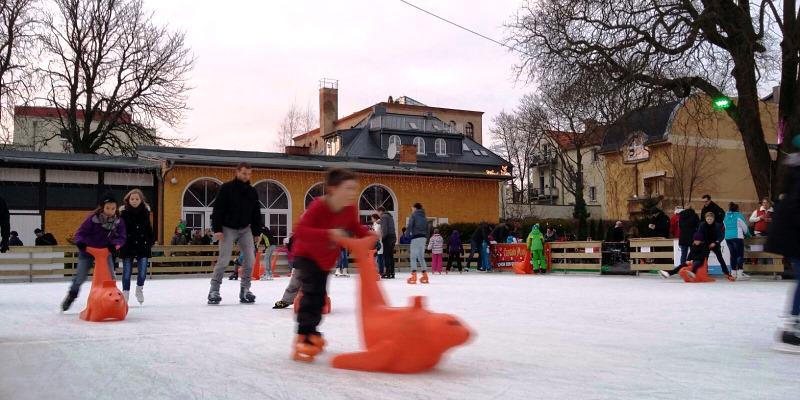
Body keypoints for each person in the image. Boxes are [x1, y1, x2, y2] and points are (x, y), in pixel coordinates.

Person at [290, 168, 372, 362]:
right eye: (349, 188)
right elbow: (300, 230)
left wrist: (368, 235)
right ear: (333, 189)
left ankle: (312, 331)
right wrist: (329, 233)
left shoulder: (350, 209)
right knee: (311, 294)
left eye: (355, 189)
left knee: (319, 298)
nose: (353, 193)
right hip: (307, 254)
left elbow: (354, 226)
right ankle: (304, 335)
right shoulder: (319, 206)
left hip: (326, 259)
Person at [207, 162, 263, 305]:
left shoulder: (252, 191)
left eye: (249, 174)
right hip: (227, 228)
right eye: (244, 173)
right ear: (237, 172)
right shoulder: (226, 188)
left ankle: (245, 289)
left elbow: (256, 213)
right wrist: (217, 229)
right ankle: (214, 290)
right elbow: (217, 209)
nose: (246, 176)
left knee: (250, 259)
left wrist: (256, 232)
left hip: (245, 229)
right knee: (224, 259)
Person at [60, 193, 127, 311]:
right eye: (107, 208)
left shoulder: (118, 222)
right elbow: (80, 233)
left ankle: (111, 298)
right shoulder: (93, 219)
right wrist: (80, 242)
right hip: (88, 251)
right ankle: (72, 295)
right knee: (80, 276)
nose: (110, 211)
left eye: (113, 208)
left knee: (110, 277)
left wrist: (115, 246)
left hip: (105, 252)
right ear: (102, 207)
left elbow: (122, 237)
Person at [766, 137, 800, 352]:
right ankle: (791, 328)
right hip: (793, 233)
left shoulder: (794, 170)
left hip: (791, 232)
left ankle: (791, 325)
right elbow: (796, 207)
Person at [119, 189, 154, 304]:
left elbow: (148, 228)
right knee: (127, 272)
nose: (134, 201)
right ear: (128, 200)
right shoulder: (123, 213)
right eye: (132, 199)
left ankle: (139, 289)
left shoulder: (145, 212)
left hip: (142, 245)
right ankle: (125, 294)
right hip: (128, 245)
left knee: (143, 272)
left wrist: (150, 241)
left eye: (137, 199)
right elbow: (120, 229)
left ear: (141, 200)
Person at [698, 211, 734, 281]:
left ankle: (727, 273)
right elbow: (699, 235)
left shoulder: (717, 225)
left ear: (713, 219)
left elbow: (721, 236)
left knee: (720, 258)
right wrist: (701, 243)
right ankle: (704, 273)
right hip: (705, 244)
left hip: (715, 244)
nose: (709, 221)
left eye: (710, 219)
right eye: (708, 219)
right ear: (705, 219)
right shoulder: (702, 225)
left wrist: (715, 243)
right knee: (704, 259)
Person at [724, 202, 751, 281]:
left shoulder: (726, 216)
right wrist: (748, 234)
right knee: (739, 255)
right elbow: (745, 227)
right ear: (737, 209)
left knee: (733, 255)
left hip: (728, 237)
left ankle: (733, 273)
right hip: (737, 237)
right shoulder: (738, 215)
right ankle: (740, 274)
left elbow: (724, 226)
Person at [406, 202, 429, 284]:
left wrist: (407, 235)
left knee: (413, 257)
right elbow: (428, 228)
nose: (412, 210)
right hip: (423, 238)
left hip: (415, 237)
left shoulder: (414, 215)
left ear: (415, 208)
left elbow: (410, 225)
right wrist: (426, 238)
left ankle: (414, 276)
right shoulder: (424, 217)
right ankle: (425, 275)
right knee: (421, 257)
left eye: (412, 208)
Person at [274, 235, 299, 309]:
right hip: (300, 262)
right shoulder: (300, 232)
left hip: (315, 263)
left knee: (314, 284)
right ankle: (286, 300)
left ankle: (318, 301)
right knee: (294, 283)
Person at [378, 206, 396, 279]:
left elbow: (384, 228)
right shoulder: (389, 216)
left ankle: (387, 273)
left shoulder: (384, 216)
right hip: (393, 237)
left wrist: (383, 237)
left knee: (386, 255)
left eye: (378, 212)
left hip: (388, 237)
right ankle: (392, 272)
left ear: (381, 211)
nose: (378, 214)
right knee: (390, 255)